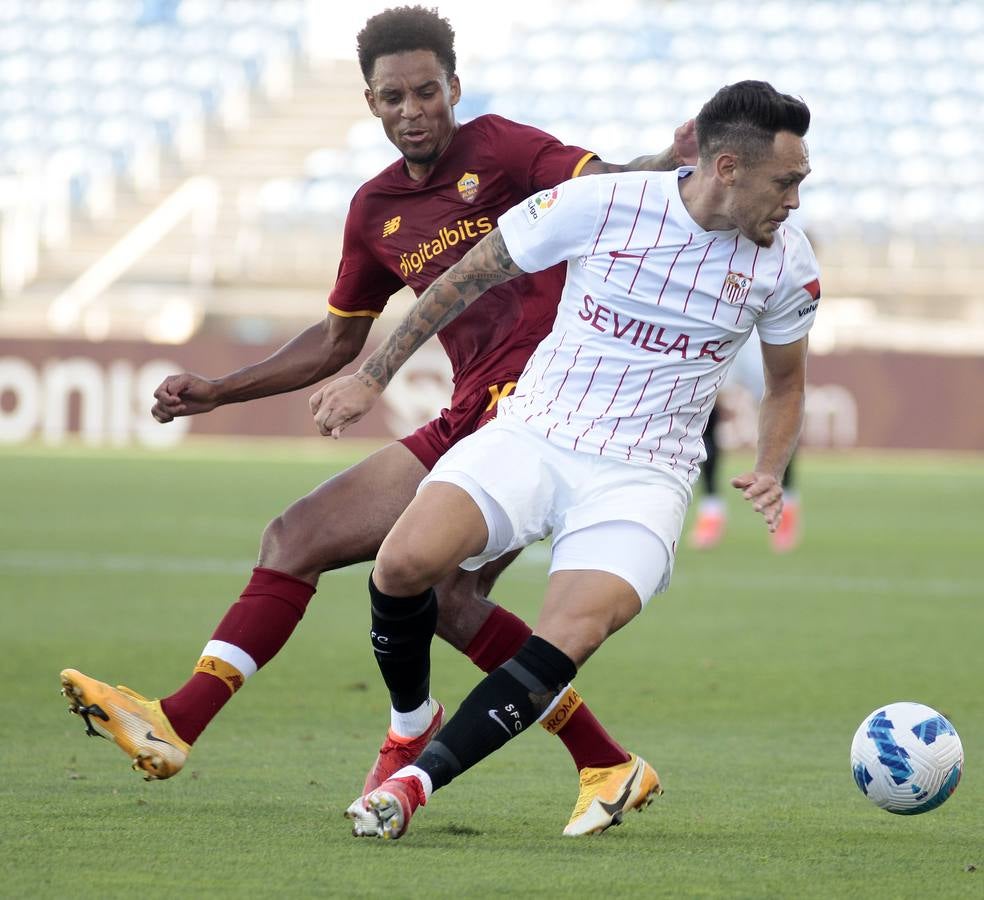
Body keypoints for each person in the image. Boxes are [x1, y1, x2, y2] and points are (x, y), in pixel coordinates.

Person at [58, 5, 696, 836]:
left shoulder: (501, 148)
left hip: (543, 415)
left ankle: (465, 740)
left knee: (443, 593)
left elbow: (607, 184)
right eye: (392, 97)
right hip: (470, 414)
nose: (412, 111)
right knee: (307, 542)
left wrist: (668, 162)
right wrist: (222, 390)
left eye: (426, 92)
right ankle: (599, 761)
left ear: (454, 88)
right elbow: (335, 339)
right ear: (371, 103)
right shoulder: (374, 210)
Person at [308, 79, 820, 840]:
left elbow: (786, 385)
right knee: (401, 566)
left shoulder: (787, 266)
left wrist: (772, 469)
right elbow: (466, 276)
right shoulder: (602, 205)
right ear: (726, 169)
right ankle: (411, 723)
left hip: (646, 478)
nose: (796, 202)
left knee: (566, 636)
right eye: (786, 182)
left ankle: (413, 786)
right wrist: (372, 377)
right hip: (536, 433)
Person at [688, 337, 802, 551]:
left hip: (758, 329)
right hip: (723, 324)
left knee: (782, 402)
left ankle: (787, 506)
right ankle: (711, 511)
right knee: (706, 410)